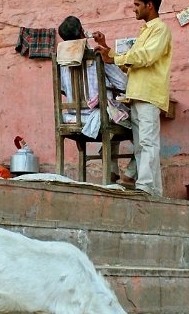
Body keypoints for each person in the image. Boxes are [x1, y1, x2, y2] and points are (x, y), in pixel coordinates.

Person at [93, 0, 172, 197]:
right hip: (137, 95)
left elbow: (146, 57)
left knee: (147, 143)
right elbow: (129, 63)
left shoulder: (160, 29)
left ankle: (147, 189)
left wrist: (115, 58)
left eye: (137, 4)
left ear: (150, 5)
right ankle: (148, 188)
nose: (134, 9)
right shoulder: (145, 31)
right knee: (141, 145)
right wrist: (107, 49)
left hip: (149, 94)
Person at [57, 16, 136, 186]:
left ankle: (112, 170)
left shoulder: (61, 61)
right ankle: (129, 173)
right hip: (98, 115)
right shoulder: (97, 56)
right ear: (81, 32)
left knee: (113, 114)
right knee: (135, 123)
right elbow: (124, 84)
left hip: (71, 117)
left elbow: (63, 89)